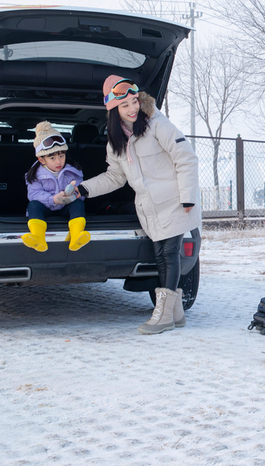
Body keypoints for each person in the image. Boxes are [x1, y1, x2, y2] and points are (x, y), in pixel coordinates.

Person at [76, 75, 201, 335]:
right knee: (160, 255)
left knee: (169, 253)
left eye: (134, 101)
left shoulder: (157, 124)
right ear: (113, 111)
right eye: (125, 105)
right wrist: (85, 188)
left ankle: (164, 315)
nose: (133, 108)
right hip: (149, 208)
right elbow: (115, 177)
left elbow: (186, 158)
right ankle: (176, 314)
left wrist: (187, 196)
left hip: (176, 201)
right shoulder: (116, 141)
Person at [22, 121, 91, 253]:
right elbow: (33, 195)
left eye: (61, 155)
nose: (59, 161)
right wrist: (53, 199)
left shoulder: (73, 171)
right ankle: (38, 237)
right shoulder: (35, 174)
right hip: (46, 209)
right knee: (33, 205)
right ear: (42, 160)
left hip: (66, 208)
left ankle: (76, 235)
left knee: (78, 204)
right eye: (52, 158)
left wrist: (71, 195)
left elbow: (80, 193)